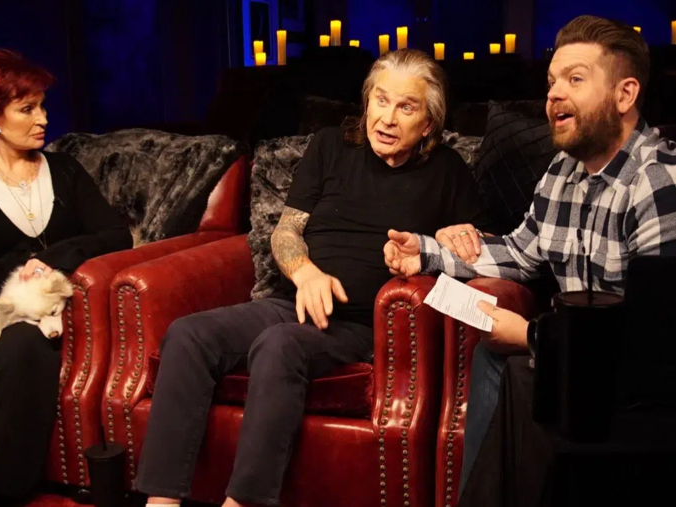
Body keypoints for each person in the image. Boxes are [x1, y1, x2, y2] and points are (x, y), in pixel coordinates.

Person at [135, 48, 493, 507]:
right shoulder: (329, 147)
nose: (387, 118)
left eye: (406, 107)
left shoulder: (448, 171)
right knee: (187, 335)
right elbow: (287, 230)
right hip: (291, 302)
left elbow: (481, 247)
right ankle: (161, 502)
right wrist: (305, 273)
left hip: (361, 326)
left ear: (427, 124)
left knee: (279, 345)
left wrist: (448, 238)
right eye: (381, 100)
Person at [383, 14, 676, 501]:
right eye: (551, 82)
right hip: (585, 370)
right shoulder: (563, 172)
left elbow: (652, 342)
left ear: (625, 95)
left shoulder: (658, 182)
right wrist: (426, 254)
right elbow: (520, 251)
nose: (554, 95)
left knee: (521, 368)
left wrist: (532, 336)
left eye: (574, 80)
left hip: (642, 397)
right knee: (497, 359)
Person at [0, 49, 132, 507]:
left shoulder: (66, 170)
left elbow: (116, 235)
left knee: (23, 346)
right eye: (27, 109)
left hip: (43, 307)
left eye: (42, 106)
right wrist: (19, 269)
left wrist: (52, 258)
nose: (43, 119)